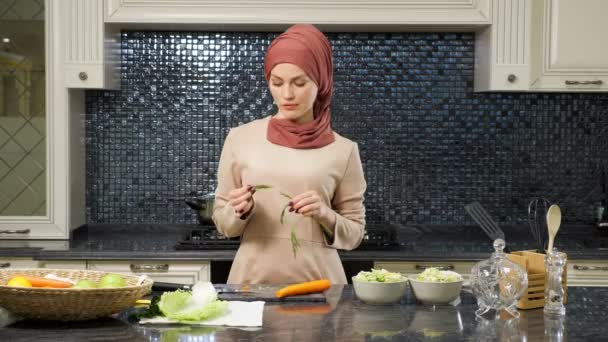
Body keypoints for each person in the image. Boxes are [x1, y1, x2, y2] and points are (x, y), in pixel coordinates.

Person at [212, 24, 367, 284]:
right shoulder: (240, 138)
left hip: (320, 288)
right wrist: (238, 211)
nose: (287, 94)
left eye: (299, 82)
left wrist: (324, 214)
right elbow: (223, 224)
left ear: (322, 81)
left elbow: (354, 235)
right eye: (277, 82)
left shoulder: (344, 150)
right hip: (250, 286)